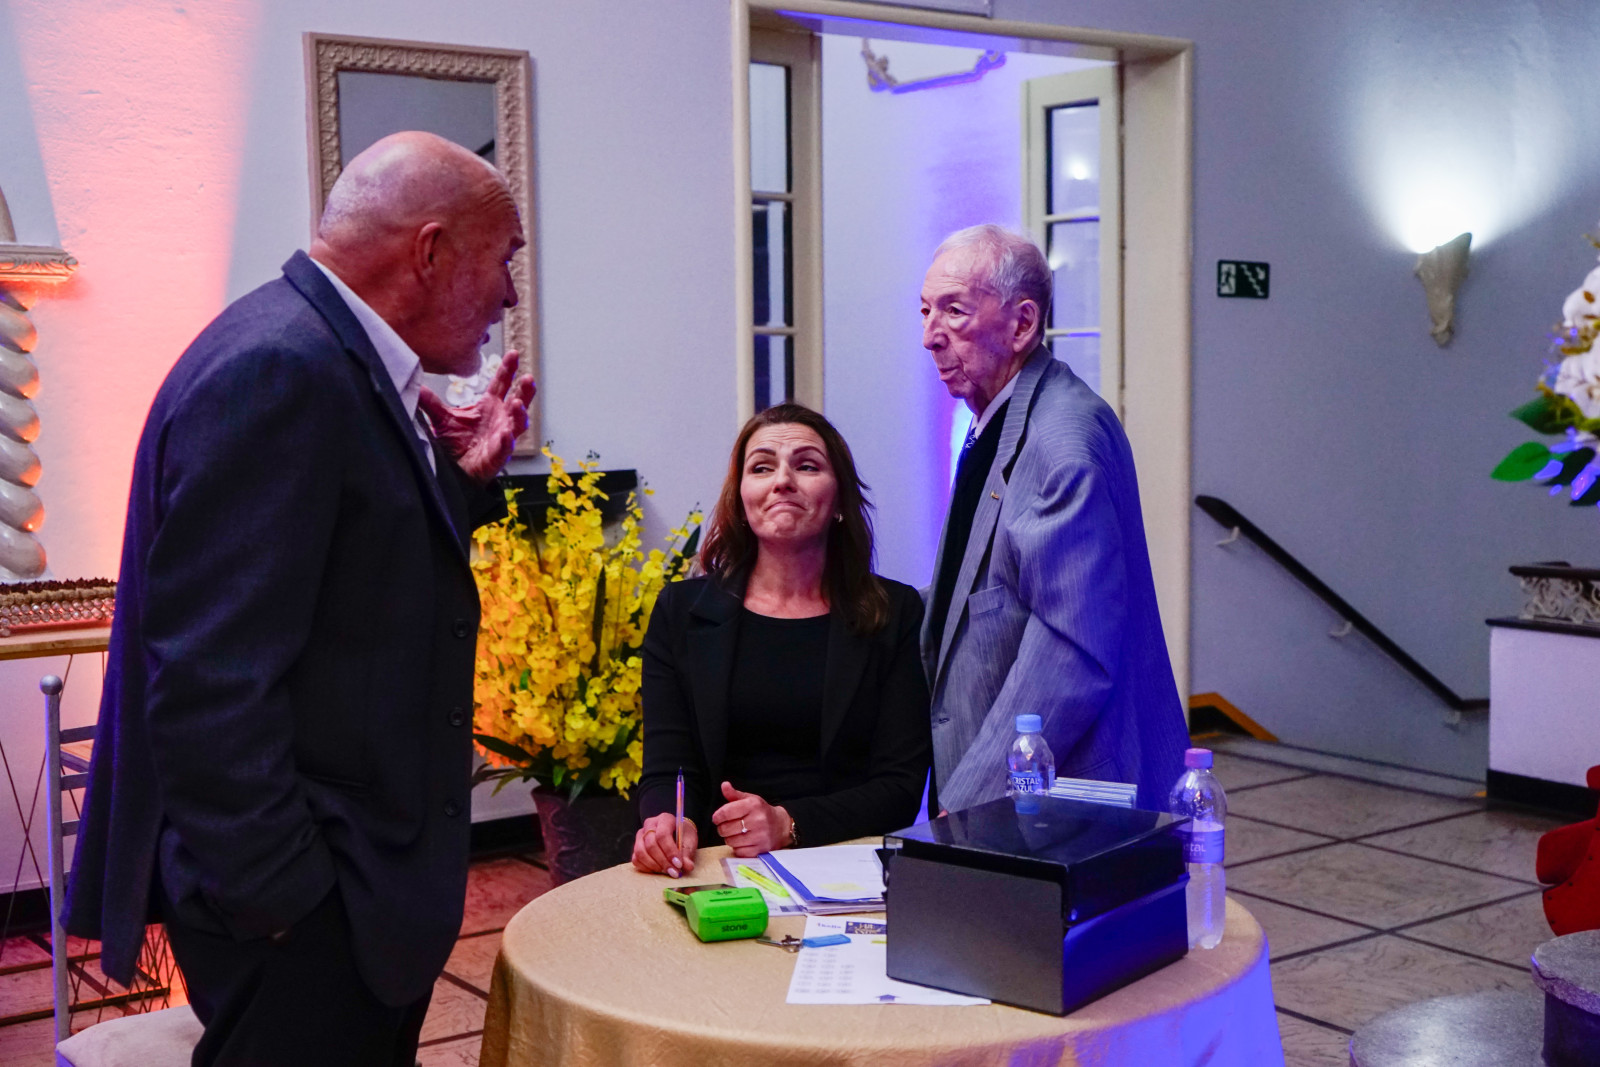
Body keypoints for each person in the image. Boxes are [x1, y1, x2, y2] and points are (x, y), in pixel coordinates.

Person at [64, 131, 536, 1066]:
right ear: (430, 251)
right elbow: (209, 686)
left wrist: (457, 484)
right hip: (306, 912)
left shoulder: (320, 353)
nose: (511, 294)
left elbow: (346, 577)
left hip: (349, 895)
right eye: (504, 259)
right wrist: (289, 903)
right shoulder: (282, 368)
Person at [919, 224, 1187, 814]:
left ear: (1022, 325)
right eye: (925, 310)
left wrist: (969, 804)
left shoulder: (1060, 439)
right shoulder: (998, 418)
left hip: (1063, 797)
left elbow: (1071, 652)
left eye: (954, 311)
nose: (930, 336)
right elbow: (986, 590)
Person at [632, 404, 931, 876]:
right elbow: (670, 767)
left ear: (839, 499)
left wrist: (788, 823)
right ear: (741, 499)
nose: (783, 481)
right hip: (713, 864)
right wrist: (671, 821)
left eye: (807, 466)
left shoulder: (895, 613)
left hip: (845, 866)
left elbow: (900, 786)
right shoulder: (680, 612)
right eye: (762, 467)